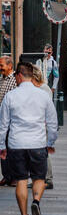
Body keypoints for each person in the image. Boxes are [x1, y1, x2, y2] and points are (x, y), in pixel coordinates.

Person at [0, 62, 58, 215]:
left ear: (18, 75)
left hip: (16, 143)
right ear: (31, 75)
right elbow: (52, 122)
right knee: (39, 178)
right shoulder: (43, 96)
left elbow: (3, 124)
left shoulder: (10, 96)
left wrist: (2, 146)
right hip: (37, 143)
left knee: (21, 180)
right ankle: (36, 202)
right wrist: (50, 142)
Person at [29, 68, 54, 190]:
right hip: (35, 124)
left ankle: (48, 179)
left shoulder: (44, 89)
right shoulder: (35, 89)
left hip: (43, 124)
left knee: (43, 152)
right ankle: (38, 178)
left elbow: (46, 108)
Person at [0, 55, 17, 186]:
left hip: (12, 119)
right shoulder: (2, 79)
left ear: (10, 66)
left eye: (2, 66)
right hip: (2, 119)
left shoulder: (16, 80)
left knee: (12, 148)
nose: (0, 68)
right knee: (2, 147)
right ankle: (6, 175)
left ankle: (14, 177)